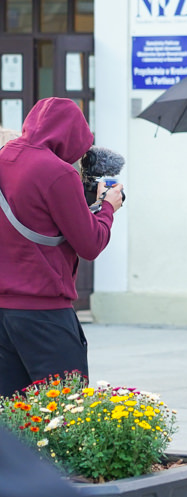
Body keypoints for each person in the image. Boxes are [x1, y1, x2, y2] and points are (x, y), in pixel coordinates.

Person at [0, 97, 124, 397]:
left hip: (4, 311)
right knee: (64, 413)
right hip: (44, 312)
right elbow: (90, 244)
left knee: (12, 416)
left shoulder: (5, 156)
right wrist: (107, 208)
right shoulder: (58, 172)